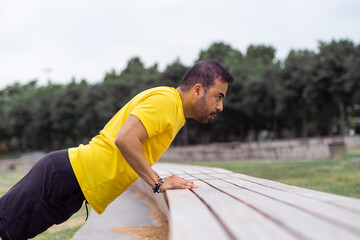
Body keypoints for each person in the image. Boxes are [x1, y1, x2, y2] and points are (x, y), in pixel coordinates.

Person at [0, 59, 233, 240]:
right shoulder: (167, 102)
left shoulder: (173, 110)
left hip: (72, 183)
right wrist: (158, 182)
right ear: (198, 90)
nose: (220, 107)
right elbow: (125, 139)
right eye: (218, 97)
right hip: (64, 176)